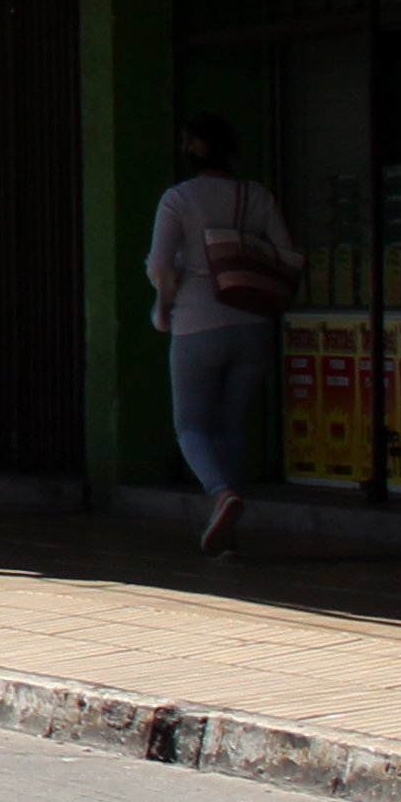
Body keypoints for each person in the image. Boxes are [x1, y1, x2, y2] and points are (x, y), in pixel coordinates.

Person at [146, 112, 299, 557]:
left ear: (189, 152)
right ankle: (230, 529)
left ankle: (220, 495)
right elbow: (285, 252)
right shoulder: (257, 196)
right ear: (231, 152)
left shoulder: (177, 200)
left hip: (196, 325)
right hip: (252, 323)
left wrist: (164, 303)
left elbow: (159, 266)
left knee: (191, 425)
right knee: (232, 429)